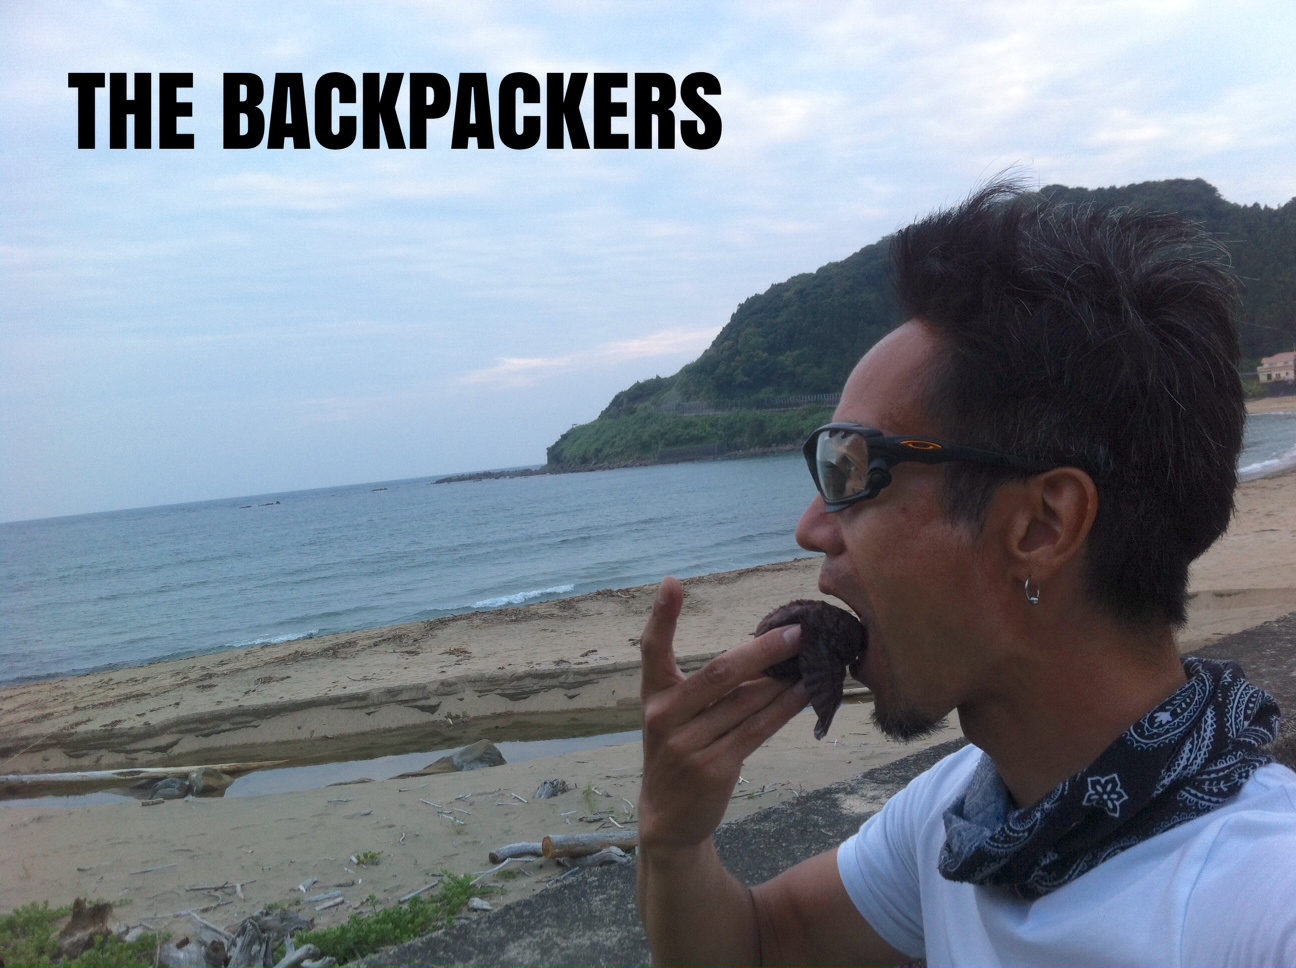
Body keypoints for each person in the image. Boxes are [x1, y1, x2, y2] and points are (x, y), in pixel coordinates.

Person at [635, 182, 1296, 967]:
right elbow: (758, 945)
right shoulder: (962, 818)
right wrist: (674, 842)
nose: (811, 527)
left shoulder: (1260, 910)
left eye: (853, 469)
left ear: (1041, 526)